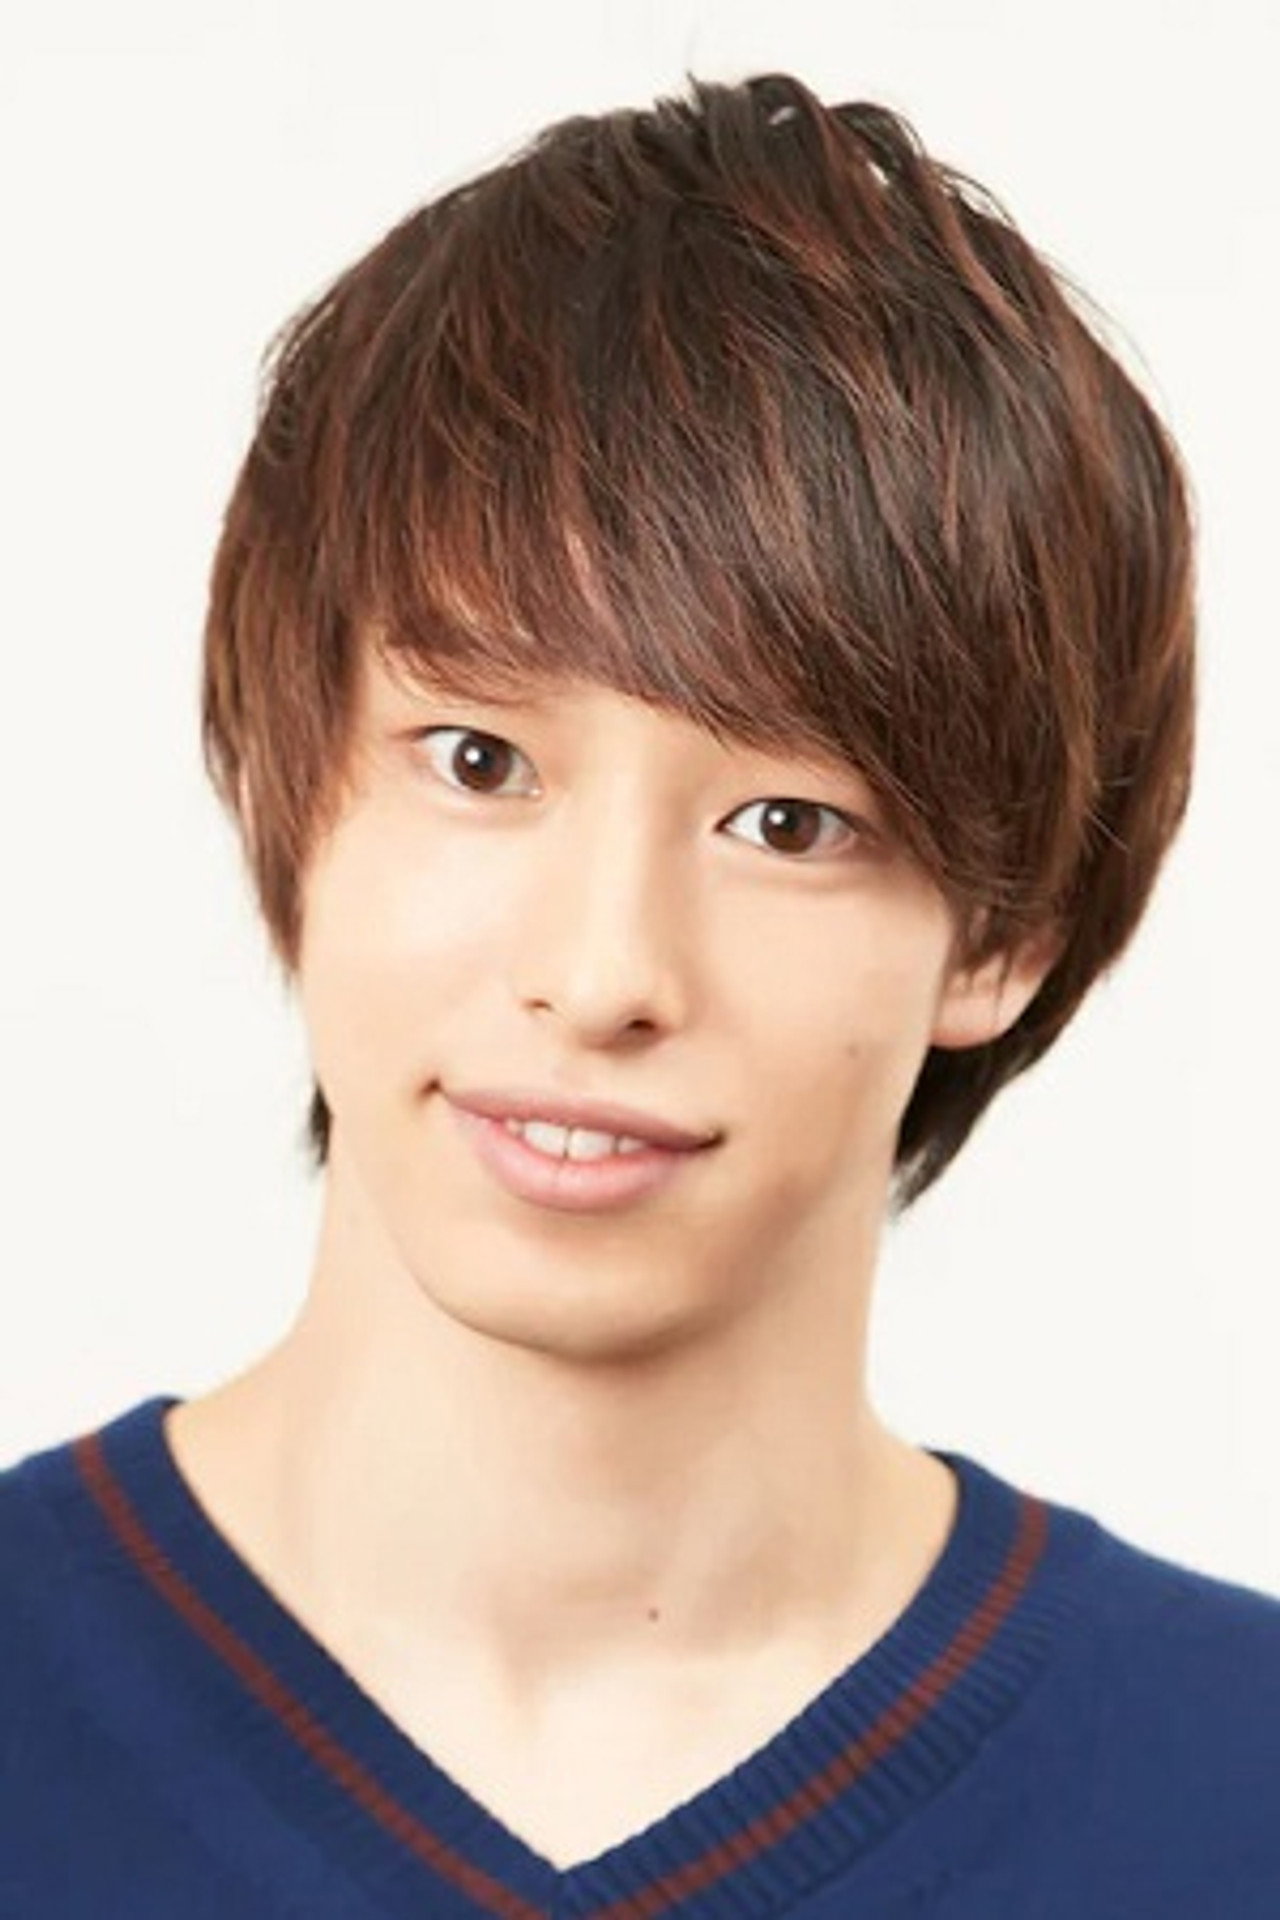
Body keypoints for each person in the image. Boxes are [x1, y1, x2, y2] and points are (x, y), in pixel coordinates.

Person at [2, 69, 1275, 1918]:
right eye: (479, 762)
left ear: (1003, 930)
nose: (602, 975)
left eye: (787, 822)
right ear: (287, 787)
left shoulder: (1233, 1795)